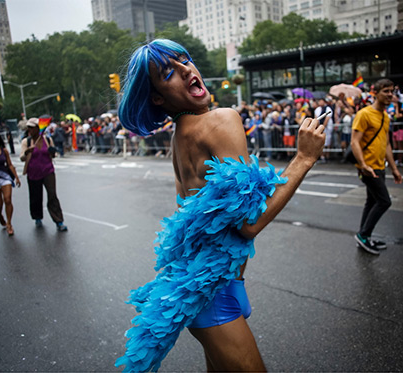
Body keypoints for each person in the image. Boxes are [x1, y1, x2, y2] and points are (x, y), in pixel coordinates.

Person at [114, 39, 326, 372]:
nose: (186, 70)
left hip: (212, 290)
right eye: (169, 72)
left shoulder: (180, 135)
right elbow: (248, 225)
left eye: (185, 60)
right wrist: (304, 158)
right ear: (157, 97)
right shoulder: (221, 120)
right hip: (214, 297)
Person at [350, 78, 402, 255]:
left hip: (380, 166)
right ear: (376, 93)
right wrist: (363, 165)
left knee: (372, 201)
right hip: (368, 168)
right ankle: (363, 235)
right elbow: (354, 142)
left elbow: (386, 144)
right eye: (386, 91)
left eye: (392, 91)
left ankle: (364, 236)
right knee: (384, 201)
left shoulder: (385, 116)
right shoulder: (364, 114)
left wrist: (394, 168)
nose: (390, 95)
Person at [20, 118, 68, 231]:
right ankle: (37, 218)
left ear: (38, 128)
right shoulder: (26, 142)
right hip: (33, 172)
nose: (30, 130)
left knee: (52, 195)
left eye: (32, 128)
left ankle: (59, 221)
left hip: (48, 171)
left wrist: (52, 151)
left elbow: (53, 155)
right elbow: (22, 157)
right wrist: (27, 152)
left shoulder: (47, 139)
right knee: (35, 196)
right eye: (29, 128)